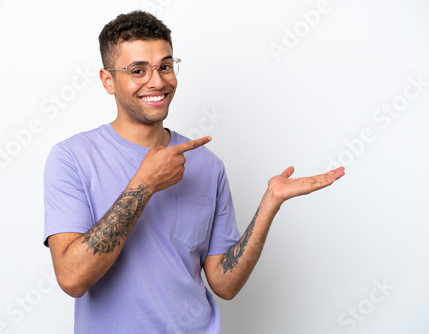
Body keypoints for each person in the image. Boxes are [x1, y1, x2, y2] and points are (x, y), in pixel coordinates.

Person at [43, 10, 345, 334]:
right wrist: (145, 184)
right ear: (108, 80)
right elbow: (72, 278)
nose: (157, 81)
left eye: (165, 66)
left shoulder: (207, 165)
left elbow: (223, 283)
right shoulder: (71, 158)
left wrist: (270, 203)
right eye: (138, 70)